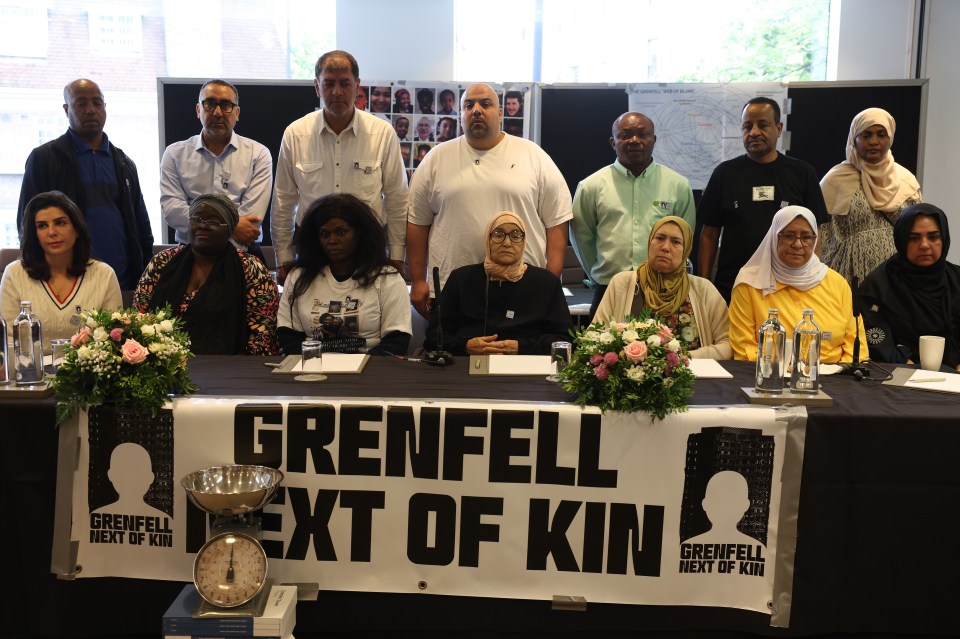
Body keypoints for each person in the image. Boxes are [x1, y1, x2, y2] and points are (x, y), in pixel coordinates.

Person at [408, 83, 572, 319]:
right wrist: (417, 280)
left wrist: (550, 281)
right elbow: (416, 223)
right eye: (468, 105)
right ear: (460, 114)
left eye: (485, 104)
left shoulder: (533, 155)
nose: (476, 110)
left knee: (520, 352)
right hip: (452, 289)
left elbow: (557, 222)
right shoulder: (436, 159)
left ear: (500, 113)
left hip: (523, 287)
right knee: (457, 353)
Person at [271, 50, 408, 281]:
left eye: (345, 83)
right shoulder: (296, 134)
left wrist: (396, 255)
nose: (337, 92)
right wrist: (283, 257)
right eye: (329, 84)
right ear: (317, 87)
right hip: (313, 248)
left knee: (368, 316)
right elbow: (284, 201)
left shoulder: (382, 133)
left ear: (357, 86)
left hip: (368, 249)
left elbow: (397, 199)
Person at [17, 78, 153, 291]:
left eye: (97, 103)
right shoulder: (44, 159)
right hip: (66, 283)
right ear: (66, 109)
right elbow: (26, 224)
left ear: (105, 108)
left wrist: (144, 275)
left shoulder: (124, 162)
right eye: (81, 103)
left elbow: (141, 226)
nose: (91, 110)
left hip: (123, 282)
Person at [698, 97, 828, 302]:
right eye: (747, 126)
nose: (754, 132)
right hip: (733, 286)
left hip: (788, 286)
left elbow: (816, 231)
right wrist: (703, 285)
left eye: (763, 125)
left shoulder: (802, 173)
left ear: (778, 128)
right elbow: (709, 234)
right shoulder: (725, 174)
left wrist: (813, 277)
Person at [572, 112, 696, 318]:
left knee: (666, 349)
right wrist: (600, 271)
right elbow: (581, 238)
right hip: (609, 288)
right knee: (602, 350)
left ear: (654, 140)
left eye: (642, 134)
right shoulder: (590, 186)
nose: (634, 140)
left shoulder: (678, 185)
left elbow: (684, 239)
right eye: (625, 135)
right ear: (613, 142)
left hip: (663, 292)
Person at [135, 194, 279, 355]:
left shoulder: (251, 268)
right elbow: (139, 318)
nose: (202, 226)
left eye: (213, 221)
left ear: (229, 230)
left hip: (227, 369)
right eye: (196, 219)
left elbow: (262, 336)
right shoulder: (162, 262)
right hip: (166, 366)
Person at [277, 193, 411, 356]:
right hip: (312, 368)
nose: (331, 241)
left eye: (340, 232)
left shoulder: (387, 277)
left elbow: (397, 341)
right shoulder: (298, 276)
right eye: (324, 234)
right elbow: (288, 335)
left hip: (369, 370)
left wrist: (358, 369)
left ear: (358, 233)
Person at [728, 206, 866, 363]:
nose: (797, 244)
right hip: (771, 377)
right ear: (774, 237)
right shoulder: (750, 285)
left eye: (806, 237)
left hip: (836, 377)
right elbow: (745, 350)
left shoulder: (836, 283)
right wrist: (792, 372)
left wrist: (844, 377)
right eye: (789, 235)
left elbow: (856, 345)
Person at [424, 212, 572, 355]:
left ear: (524, 242)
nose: (507, 243)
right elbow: (433, 337)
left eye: (515, 236)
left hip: (526, 367)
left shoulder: (546, 283)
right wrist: (465, 346)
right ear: (486, 240)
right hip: (467, 365)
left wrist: (521, 347)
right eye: (498, 235)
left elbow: (566, 340)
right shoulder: (461, 279)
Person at [160, 79, 272, 255]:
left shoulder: (258, 154)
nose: (217, 112)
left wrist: (203, 223)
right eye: (210, 103)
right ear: (198, 110)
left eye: (226, 105)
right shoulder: (174, 154)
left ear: (237, 113)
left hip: (243, 253)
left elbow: (252, 219)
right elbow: (173, 211)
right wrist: (233, 226)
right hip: (190, 254)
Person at [592, 216, 730, 360]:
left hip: (694, 378)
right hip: (632, 379)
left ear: (686, 250)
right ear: (649, 242)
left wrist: (684, 358)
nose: (665, 247)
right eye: (659, 238)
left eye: (676, 242)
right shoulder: (622, 283)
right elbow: (594, 337)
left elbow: (727, 344)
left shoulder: (703, 289)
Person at [2, 191, 122, 354]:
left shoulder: (104, 275)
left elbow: (114, 339)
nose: (51, 232)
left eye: (60, 223)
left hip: (87, 376)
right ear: (35, 234)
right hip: (30, 376)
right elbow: (8, 343)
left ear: (77, 229)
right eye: (42, 225)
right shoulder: (14, 274)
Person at [819, 107, 922, 285]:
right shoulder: (835, 180)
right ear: (854, 139)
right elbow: (824, 236)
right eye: (866, 135)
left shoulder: (906, 181)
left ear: (890, 137)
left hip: (897, 277)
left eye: (881, 134)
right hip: (847, 276)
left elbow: (916, 232)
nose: (874, 141)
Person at [859, 203, 960, 369]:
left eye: (933, 237)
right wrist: (908, 368)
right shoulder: (878, 286)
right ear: (901, 240)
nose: (925, 245)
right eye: (914, 238)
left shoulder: (956, 279)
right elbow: (877, 340)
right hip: (900, 376)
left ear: (944, 239)